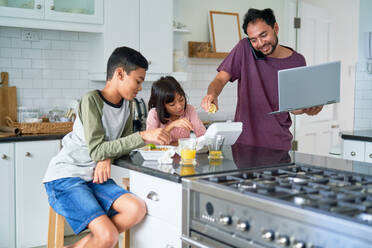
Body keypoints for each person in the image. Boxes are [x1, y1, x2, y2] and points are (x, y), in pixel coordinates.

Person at [43, 47, 171, 248]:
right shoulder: (91, 100)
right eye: (138, 81)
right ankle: (101, 239)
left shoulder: (127, 105)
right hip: (66, 177)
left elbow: (121, 146)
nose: (140, 88)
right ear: (120, 73)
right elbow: (97, 149)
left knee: (136, 209)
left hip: (94, 176)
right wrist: (143, 136)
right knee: (109, 237)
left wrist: (106, 158)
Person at [201, 8, 323, 151]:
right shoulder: (244, 49)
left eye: (263, 35)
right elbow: (219, 80)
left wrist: (309, 109)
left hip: (279, 145)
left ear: (275, 28)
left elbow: (294, 108)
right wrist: (212, 94)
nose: (260, 43)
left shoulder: (297, 60)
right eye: (254, 39)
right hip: (244, 144)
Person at [146, 76, 206, 146]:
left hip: (185, 156)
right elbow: (151, 143)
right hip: (161, 156)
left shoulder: (189, 110)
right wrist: (172, 125)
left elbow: (203, 136)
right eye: (172, 104)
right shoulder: (154, 114)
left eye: (181, 100)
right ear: (162, 105)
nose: (180, 106)